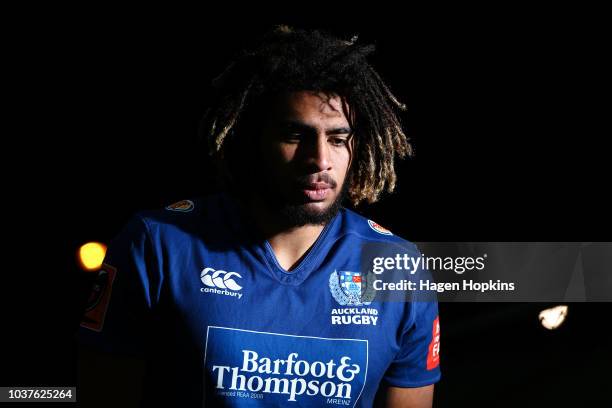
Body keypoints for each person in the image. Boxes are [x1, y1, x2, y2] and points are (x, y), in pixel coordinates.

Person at [78, 25, 441, 407]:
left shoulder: (398, 268)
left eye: (337, 139)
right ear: (253, 139)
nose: (319, 160)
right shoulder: (157, 243)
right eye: (295, 135)